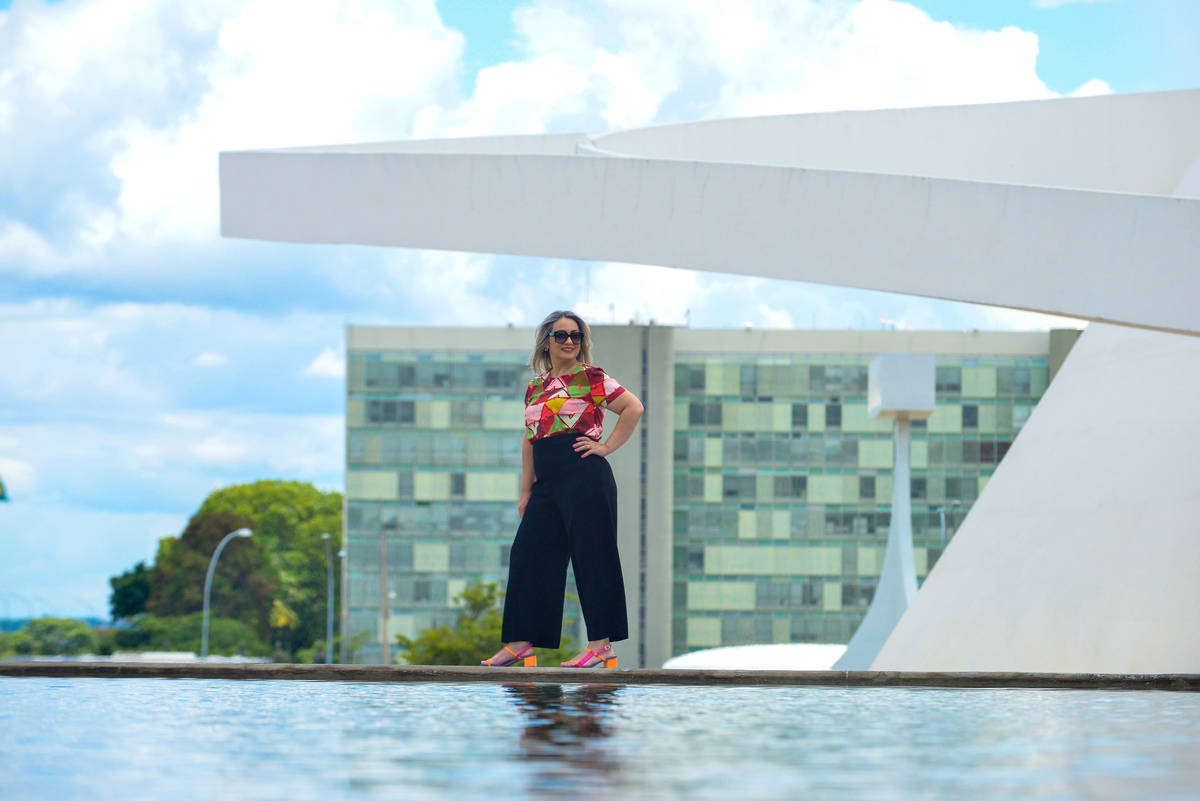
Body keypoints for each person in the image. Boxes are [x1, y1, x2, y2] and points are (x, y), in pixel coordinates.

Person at [482, 311, 643, 669]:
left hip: (584, 473)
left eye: (576, 336)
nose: (570, 341)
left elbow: (633, 408)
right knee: (527, 554)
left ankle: (601, 645)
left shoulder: (591, 377)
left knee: (593, 555)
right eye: (561, 335)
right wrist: (526, 491)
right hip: (546, 483)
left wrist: (606, 446)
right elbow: (529, 440)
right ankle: (522, 642)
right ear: (546, 341)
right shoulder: (535, 387)